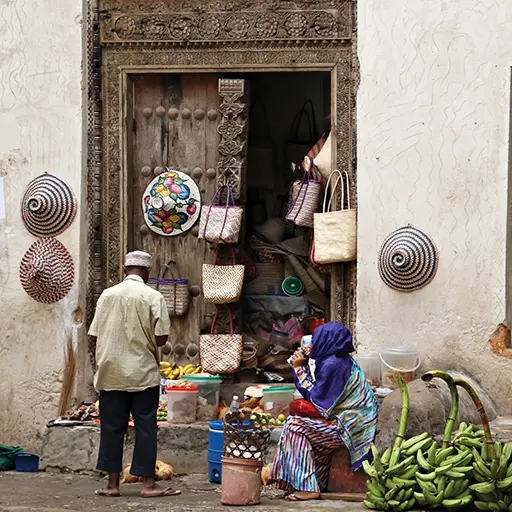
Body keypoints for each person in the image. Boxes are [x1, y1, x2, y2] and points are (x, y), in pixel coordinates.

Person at [88, 250, 181, 498]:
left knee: (111, 428)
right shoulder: (153, 296)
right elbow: (161, 339)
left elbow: (95, 333)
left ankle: (112, 485)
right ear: (147, 272)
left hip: (111, 372)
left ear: (125, 269)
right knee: (146, 427)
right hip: (142, 372)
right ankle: (148, 484)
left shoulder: (107, 295)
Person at [270, 321, 379, 502]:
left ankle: (307, 488)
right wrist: (303, 365)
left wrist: (298, 369)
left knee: (294, 426)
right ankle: (314, 483)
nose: (313, 343)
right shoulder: (335, 360)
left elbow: (318, 403)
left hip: (351, 426)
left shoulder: (334, 365)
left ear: (327, 341)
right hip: (349, 420)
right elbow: (318, 391)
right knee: (304, 427)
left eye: (317, 339)